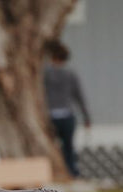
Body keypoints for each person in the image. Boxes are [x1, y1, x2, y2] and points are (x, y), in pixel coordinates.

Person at [43, 40, 91, 179]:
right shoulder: (71, 74)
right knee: (68, 146)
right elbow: (79, 97)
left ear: (52, 57)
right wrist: (87, 118)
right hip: (67, 115)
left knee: (52, 146)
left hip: (50, 116)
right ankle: (71, 172)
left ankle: (53, 172)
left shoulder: (46, 74)